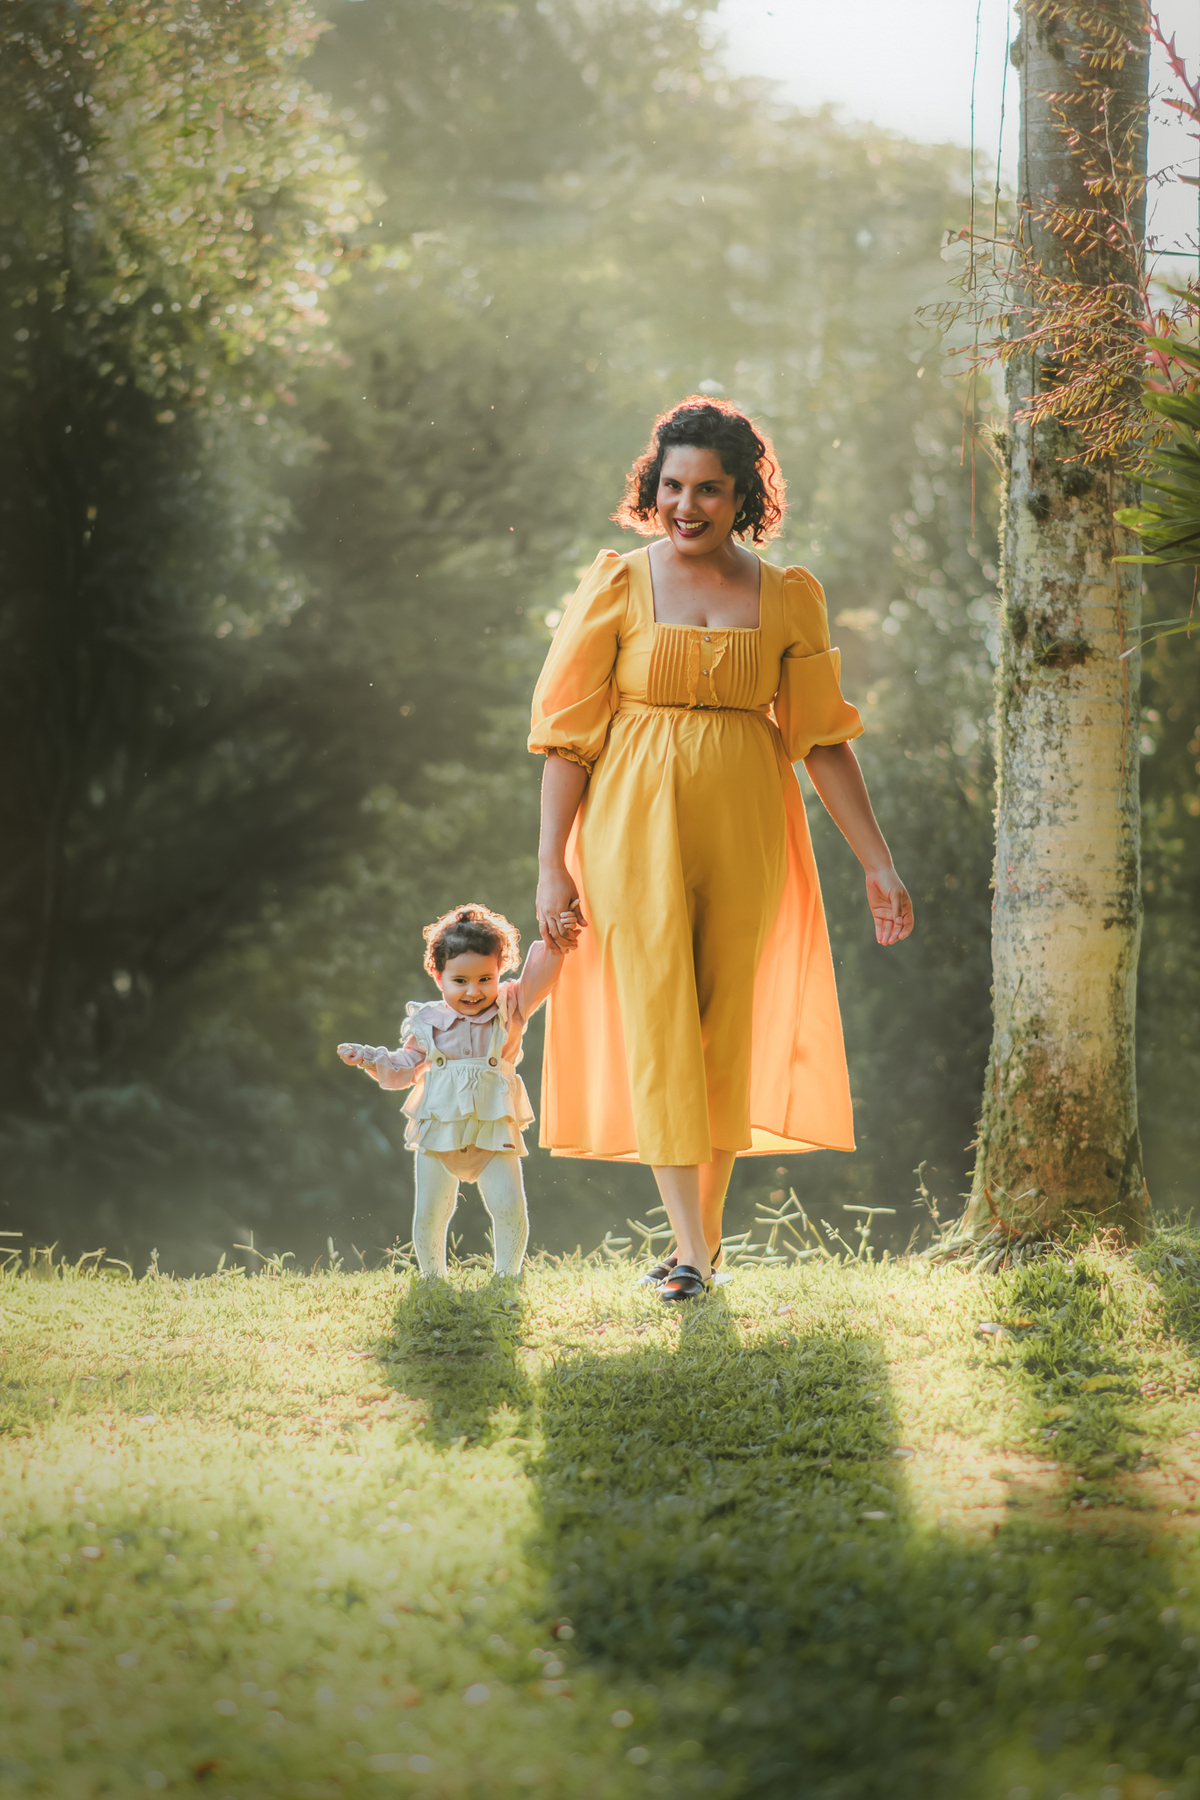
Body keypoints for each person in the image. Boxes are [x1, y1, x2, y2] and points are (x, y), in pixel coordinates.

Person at [529, 397, 913, 1303]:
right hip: (629, 829)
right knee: (659, 1020)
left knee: (722, 1029)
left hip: (747, 827)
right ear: (650, 488)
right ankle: (697, 1254)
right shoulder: (618, 584)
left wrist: (878, 862)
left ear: (744, 495)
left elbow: (823, 740)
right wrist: (551, 864)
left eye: (708, 489)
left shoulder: (787, 596)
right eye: (671, 486)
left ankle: (692, 1250)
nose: (686, 505)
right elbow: (566, 741)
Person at [337, 903, 577, 1279]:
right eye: (460, 981)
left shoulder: (511, 1006)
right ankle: (433, 1279)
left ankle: (507, 1278)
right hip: (439, 1129)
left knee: (509, 1206)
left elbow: (542, 973)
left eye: (485, 979)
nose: (473, 991)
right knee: (431, 1212)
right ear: (439, 976)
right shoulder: (428, 1022)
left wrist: (557, 936)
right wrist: (368, 1058)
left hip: (493, 1129)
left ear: (500, 971)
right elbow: (404, 1066)